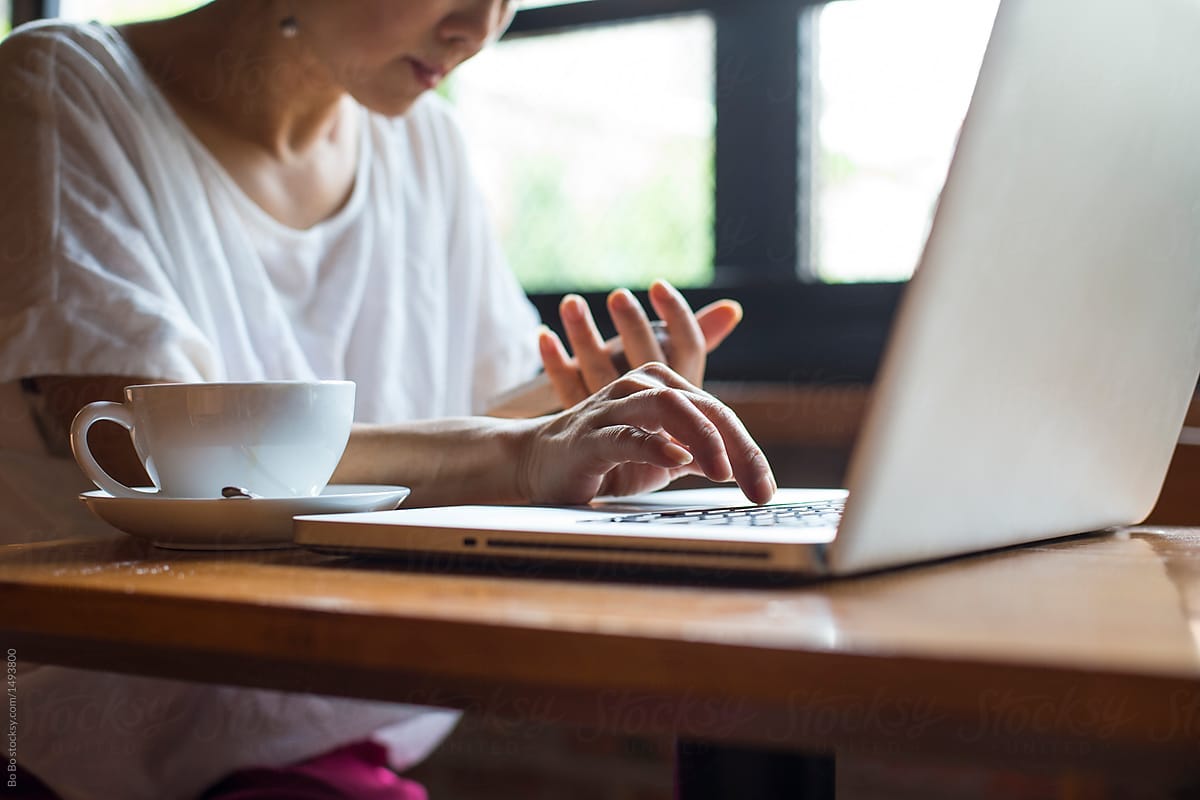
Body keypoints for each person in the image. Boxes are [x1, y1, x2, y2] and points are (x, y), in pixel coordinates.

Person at [0, 1, 776, 798]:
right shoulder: (62, 87)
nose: (480, 27)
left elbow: (470, 424)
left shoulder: (422, 143)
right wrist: (528, 449)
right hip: (79, 747)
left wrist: (583, 411)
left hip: (312, 732)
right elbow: (153, 451)